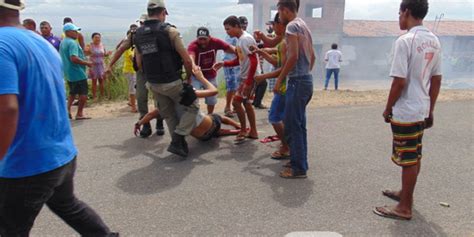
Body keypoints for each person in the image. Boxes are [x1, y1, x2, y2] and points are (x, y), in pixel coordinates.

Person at [0, 2, 117, 236]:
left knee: (10, 229)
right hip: (60, 155)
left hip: (25, 162)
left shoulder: (2, 45)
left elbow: (7, 109)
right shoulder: (40, 42)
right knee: (69, 206)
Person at [374, 0, 442, 221]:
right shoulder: (434, 41)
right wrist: (430, 109)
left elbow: (399, 82)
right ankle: (405, 194)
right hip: (421, 108)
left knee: (408, 159)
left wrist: (387, 108)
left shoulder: (404, 41)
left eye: (399, 13)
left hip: (407, 109)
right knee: (415, 155)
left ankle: (404, 207)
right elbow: (436, 79)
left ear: (407, 12)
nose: (398, 18)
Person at [134, 0, 198, 157]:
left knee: (168, 114)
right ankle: (179, 138)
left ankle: (180, 146)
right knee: (193, 106)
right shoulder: (170, 31)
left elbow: (139, 62)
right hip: (172, 81)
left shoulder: (138, 34)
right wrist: (188, 78)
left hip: (152, 83)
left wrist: (150, 77)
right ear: (163, 13)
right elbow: (187, 59)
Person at [135, 68, 241, 141]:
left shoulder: (166, 105)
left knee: (216, 131)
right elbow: (214, 91)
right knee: (218, 118)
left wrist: (139, 124)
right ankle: (239, 127)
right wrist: (201, 77)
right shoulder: (189, 93)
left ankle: (235, 130)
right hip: (212, 124)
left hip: (202, 138)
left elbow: (149, 115)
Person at [107, 14, 165, 138]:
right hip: (141, 71)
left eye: (145, 23)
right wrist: (110, 64)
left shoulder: (159, 32)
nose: (143, 25)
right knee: (141, 96)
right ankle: (145, 124)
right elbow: (122, 48)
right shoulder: (135, 35)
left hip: (157, 71)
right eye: (141, 23)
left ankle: (159, 121)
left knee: (159, 97)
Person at [276, 0, 316, 179]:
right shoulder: (304, 26)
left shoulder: (292, 27)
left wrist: (280, 78)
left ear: (284, 10)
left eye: (279, 12)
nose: (279, 16)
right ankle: (299, 161)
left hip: (297, 82)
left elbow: (293, 56)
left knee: (292, 125)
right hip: (306, 80)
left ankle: (298, 168)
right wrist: (305, 72)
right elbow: (313, 56)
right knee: (299, 125)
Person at [214, 15, 259, 144]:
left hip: (249, 77)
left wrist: (249, 82)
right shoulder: (239, 40)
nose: (227, 32)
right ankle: (253, 131)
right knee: (246, 103)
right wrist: (224, 64)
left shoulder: (246, 39)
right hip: (245, 77)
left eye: (228, 29)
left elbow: (254, 61)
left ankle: (244, 130)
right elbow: (240, 60)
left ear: (237, 26)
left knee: (236, 102)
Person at [254, 13, 290, 160]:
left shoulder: (286, 43)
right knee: (284, 117)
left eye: (274, 25)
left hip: (285, 87)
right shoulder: (284, 42)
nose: (273, 28)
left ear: (281, 24)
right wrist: (261, 51)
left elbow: (283, 69)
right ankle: (287, 143)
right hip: (284, 86)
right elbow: (277, 63)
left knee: (274, 116)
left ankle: (286, 146)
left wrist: (263, 76)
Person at [187, 26, 235, 114]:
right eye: (200, 39)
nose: (202, 42)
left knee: (212, 99)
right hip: (196, 77)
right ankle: (194, 118)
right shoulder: (193, 45)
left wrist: (241, 53)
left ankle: (210, 116)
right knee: (192, 98)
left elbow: (229, 48)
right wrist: (194, 67)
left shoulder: (215, 42)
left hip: (210, 76)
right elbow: (191, 58)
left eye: (205, 39)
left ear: (209, 37)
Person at [60, 23, 93, 120]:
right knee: (83, 93)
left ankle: (67, 110)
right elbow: (73, 58)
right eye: (74, 31)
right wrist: (87, 63)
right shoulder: (72, 43)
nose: (76, 33)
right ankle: (79, 113)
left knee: (72, 93)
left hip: (69, 72)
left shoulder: (63, 42)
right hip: (77, 72)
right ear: (68, 32)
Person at [85, 32, 111, 100]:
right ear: (92, 38)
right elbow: (85, 54)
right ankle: (94, 97)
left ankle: (102, 96)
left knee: (101, 80)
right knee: (94, 81)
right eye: (96, 37)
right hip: (93, 65)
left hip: (101, 65)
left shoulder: (102, 45)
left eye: (99, 37)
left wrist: (107, 54)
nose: (97, 39)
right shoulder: (89, 45)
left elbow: (104, 54)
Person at [222, 31, 240, 118]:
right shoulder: (231, 37)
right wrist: (239, 50)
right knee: (231, 86)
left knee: (237, 85)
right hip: (229, 63)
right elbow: (227, 48)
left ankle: (235, 106)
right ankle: (227, 107)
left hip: (237, 64)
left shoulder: (242, 36)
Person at [122, 33, 137, 113]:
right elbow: (132, 58)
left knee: (133, 87)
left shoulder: (133, 47)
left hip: (132, 70)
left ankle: (131, 102)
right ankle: (133, 107)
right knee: (133, 89)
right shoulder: (129, 47)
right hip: (130, 70)